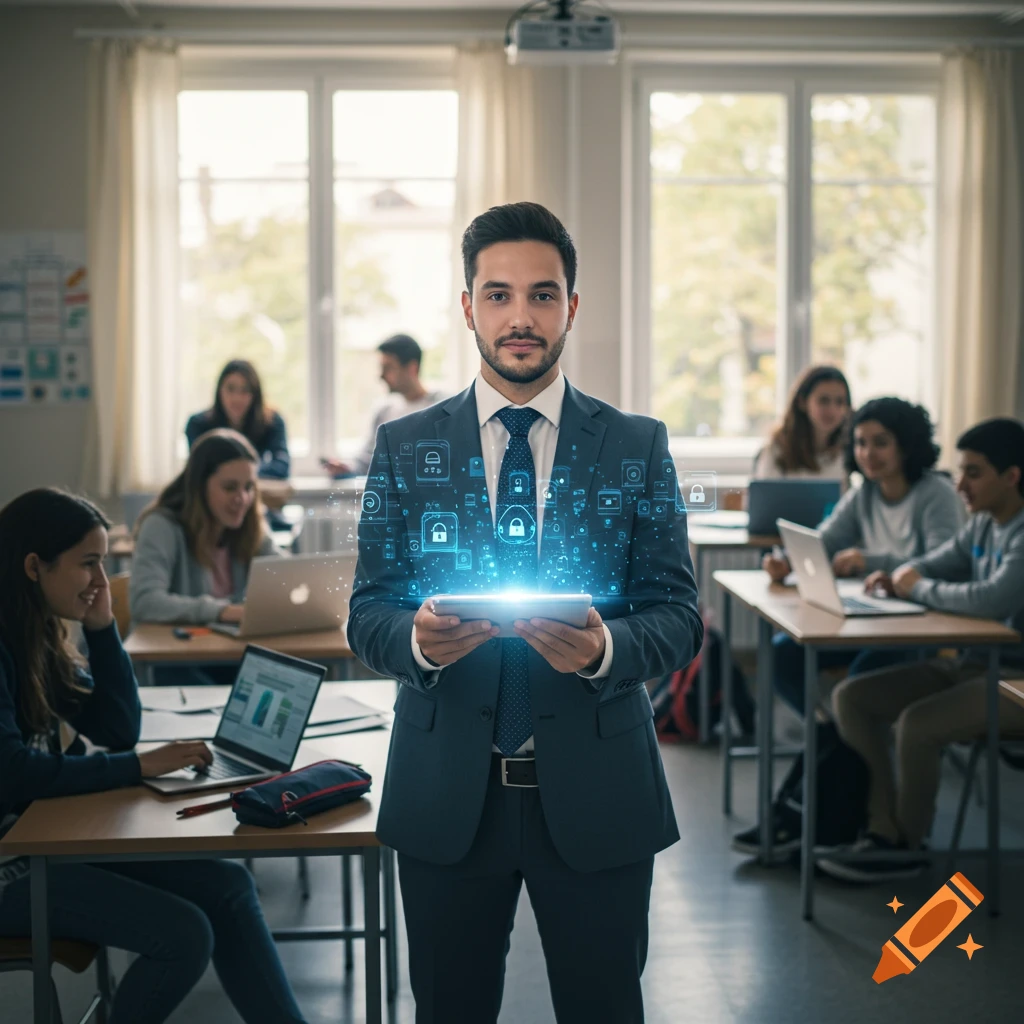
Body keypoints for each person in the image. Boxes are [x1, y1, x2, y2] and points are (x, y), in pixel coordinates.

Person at [347, 202, 702, 1024]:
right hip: (447, 793)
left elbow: (679, 615)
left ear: (571, 307)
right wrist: (417, 643)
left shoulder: (636, 445)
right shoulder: (404, 447)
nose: (520, 317)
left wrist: (607, 648)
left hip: (598, 790)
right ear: (467, 306)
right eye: (498, 295)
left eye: (542, 295)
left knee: (604, 1008)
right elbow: (368, 612)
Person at [0, 488, 307, 1024]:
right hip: (10, 866)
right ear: (33, 566)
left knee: (229, 886)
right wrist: (140, 767)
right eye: (88, 564)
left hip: (41, 840)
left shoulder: (37, 637)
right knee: (185, 936)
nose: (101, 581)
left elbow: (118, 729)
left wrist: (101, 630)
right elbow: (13, 775)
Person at [732, 396, 964, 860]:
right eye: (860, 443)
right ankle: (838, 735)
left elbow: (947, 562)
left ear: (907, 445)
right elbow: (824, 541)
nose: (867, 453)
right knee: (785, 653)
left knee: (857, 683)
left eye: (880, 443)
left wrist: (873, 560)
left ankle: (819, 803)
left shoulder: (934, 493)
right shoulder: (865, 493)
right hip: (877, 618)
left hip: (922, 628)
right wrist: (786, 560)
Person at [818, 418, 1024, 882]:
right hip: (976, 665)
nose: (960, 485)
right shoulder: (983, 523)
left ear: (1012, 476)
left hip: (1015, 682)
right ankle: (882, 829)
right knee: (852, 697)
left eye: (974, 473)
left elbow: (992, 599)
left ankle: (906, 847)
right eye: (961, 470)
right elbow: (932, 564)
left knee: (917, 724)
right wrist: (898, 577)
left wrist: (917, 587)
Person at [131, 429, 277, 628]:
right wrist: (222, 611)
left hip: (227, 644)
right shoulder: (161, 526)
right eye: (229, 487)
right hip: (172, 646)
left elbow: (285, 570)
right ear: (199, 486)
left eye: (248, 487)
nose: (242, 498)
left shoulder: (249, 525)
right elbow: (144, 602)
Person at [322, 333, 446, 477]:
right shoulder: (384, 411)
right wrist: (346, 468)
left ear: (412, 368)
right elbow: (367, 461)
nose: (381, 375)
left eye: (388, 368)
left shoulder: (442, 407)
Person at [185, 359, 290, 480]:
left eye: (245, 390)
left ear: (255, 394)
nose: (237, 398)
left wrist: (241, 474)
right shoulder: (198, 424)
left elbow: (282, 466)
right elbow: (199, 468)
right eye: (230, 388)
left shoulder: (271, 422)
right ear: (219, 391)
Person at [753, 364, 851, 482]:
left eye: (840, 402)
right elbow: (765, 492)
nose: (832, 410)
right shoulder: (776, 451)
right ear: (802, 402)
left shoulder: (849, 451)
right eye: (823, 401)